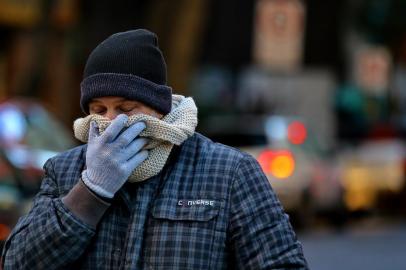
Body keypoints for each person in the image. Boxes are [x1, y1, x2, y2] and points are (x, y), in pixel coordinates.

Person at [1, 29, 308, 269]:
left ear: (159, 108)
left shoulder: (229, 172)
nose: (111, 122)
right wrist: (91, 190)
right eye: (99, 109)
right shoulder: (64, 171)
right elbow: (18, 262)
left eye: (126, 108)